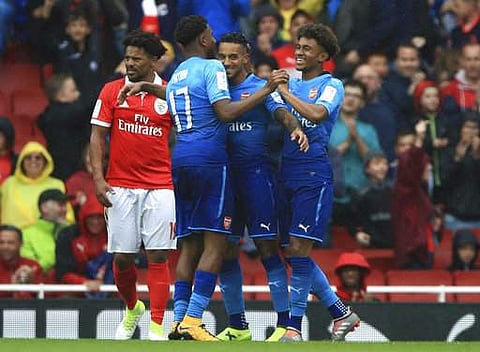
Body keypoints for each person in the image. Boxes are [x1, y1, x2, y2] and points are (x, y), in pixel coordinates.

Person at [117, 15, 290, 342]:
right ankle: (194, 319)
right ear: (204, 39)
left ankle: (178, 320)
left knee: (189, 246)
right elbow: (224, 112)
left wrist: (146, 85)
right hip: (210, 159)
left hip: (180, 159)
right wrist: (266, 89)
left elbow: (170, 99)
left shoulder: (177, 72)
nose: (213, 38)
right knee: (218, 242)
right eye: (210, 33)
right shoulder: (212, 68)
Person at [214, 32, 308, 342]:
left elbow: (282, 112)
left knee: (267, 247)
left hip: (257, 175)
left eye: (233, 56)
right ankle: (238, 326)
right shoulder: (215, 87)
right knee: (225, 251)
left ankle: (283, 323)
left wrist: (294, 129)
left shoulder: (260, 87)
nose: (227, 62)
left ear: (246, 58)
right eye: (223, 56)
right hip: (226, 178)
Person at [90, 30, 176, 341]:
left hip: (159, 186)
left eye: (137, 59)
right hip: (120, 187)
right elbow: (97, 137)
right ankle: (132, 308)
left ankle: (156, 326)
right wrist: (99, 179)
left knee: (158, 256)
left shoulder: (170, 95)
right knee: (123, 257)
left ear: (155, 60)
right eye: (127, 58)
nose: (130, 64)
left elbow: (180, 138)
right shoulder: (112, 91)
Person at [275, 23, 360, 341]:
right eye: (297, 46)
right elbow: (280, 116)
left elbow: (318, 113)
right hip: (287, 170)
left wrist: (282, 93)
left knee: (299, 248)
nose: (298, 52)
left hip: (314, 172)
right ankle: (341, 312)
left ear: (323, 55)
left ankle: (293, 328)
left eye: (306, 48)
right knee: (291, 250)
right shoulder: (289, 83)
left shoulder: (331, 84)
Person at [0, 141, 75, 230]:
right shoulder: (8, 184)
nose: (33, 161)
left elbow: (67, 217)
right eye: (28, 158)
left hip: (47, 237)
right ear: (21, 161)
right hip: (12, 239)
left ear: (45, 161)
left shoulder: (56, 184)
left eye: (38, 158)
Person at [55, 196, 113, 298]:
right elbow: (63, 271)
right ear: (83, 218)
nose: (95, 222)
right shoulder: (69, 235)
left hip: (110, 290)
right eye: (91, 217)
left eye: (99, 217)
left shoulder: (114, 235)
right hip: (76, 291)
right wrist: (84, 282)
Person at [38, 73, 91, 181]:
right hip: (64, 174)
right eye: (73, 90)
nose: (78, 94)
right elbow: (90, 103)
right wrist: (116, 76)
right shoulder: (56, 114)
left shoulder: (59, 112)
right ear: (61, 96)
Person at [20, 189, 70, 279]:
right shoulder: (26, 234)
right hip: (39, 287)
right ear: (44, 208)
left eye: (65, 205)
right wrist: (59, 257)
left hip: (71, 287)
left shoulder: (71, 231)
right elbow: (29, 268)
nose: (65, 209)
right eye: (60, 205)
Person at [349, 151, 394, 249]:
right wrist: (357, 233)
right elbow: (352, 221)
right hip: (371, 244)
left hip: (394, 244)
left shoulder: (395, 190)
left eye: (385, 163)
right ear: (367, 169)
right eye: (377, 163)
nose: (382, 167)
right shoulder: (360, 194)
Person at [0, 224, 43, 299]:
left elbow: (46, 296)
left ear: (21, 243)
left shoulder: (32, 265)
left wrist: (32, 283)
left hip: (27, 309)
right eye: (1, 242)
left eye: (10, 243)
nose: (5, 247)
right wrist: (11, 287)